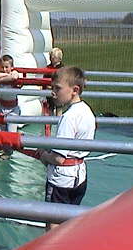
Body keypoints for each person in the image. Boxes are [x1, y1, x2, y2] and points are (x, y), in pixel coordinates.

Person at [39, 66, 95, 231]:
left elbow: (58, 158)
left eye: (58, 88)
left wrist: (43, 155)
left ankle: (52, 249)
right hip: (80, 177)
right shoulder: (87, 111)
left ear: (74, 90)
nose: (53, 93)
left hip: (61, 180)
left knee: (53, 226)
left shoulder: (68, 118)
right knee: (69, 224)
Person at [0, 54, 21, 134]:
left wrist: (0, 80)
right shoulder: (0, 74)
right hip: (1, 107)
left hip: (13, 109)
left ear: (12, 67)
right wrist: (6, 75)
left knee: (11, 132)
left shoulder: (14, 72)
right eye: (2, 67)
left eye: (7, 67)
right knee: (1, 132)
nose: (4, 69)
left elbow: (14, 77)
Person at [45, 47, 64, 116]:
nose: (52, 58)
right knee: (50, 108)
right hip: (50, 90)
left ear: (59, 58)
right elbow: (45, 78)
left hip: (59, 90)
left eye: (54, 57)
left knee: (59, 107)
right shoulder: (48, 68)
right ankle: (50, 121)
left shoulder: (62, 68)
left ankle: (58, 120)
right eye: (51, 57)